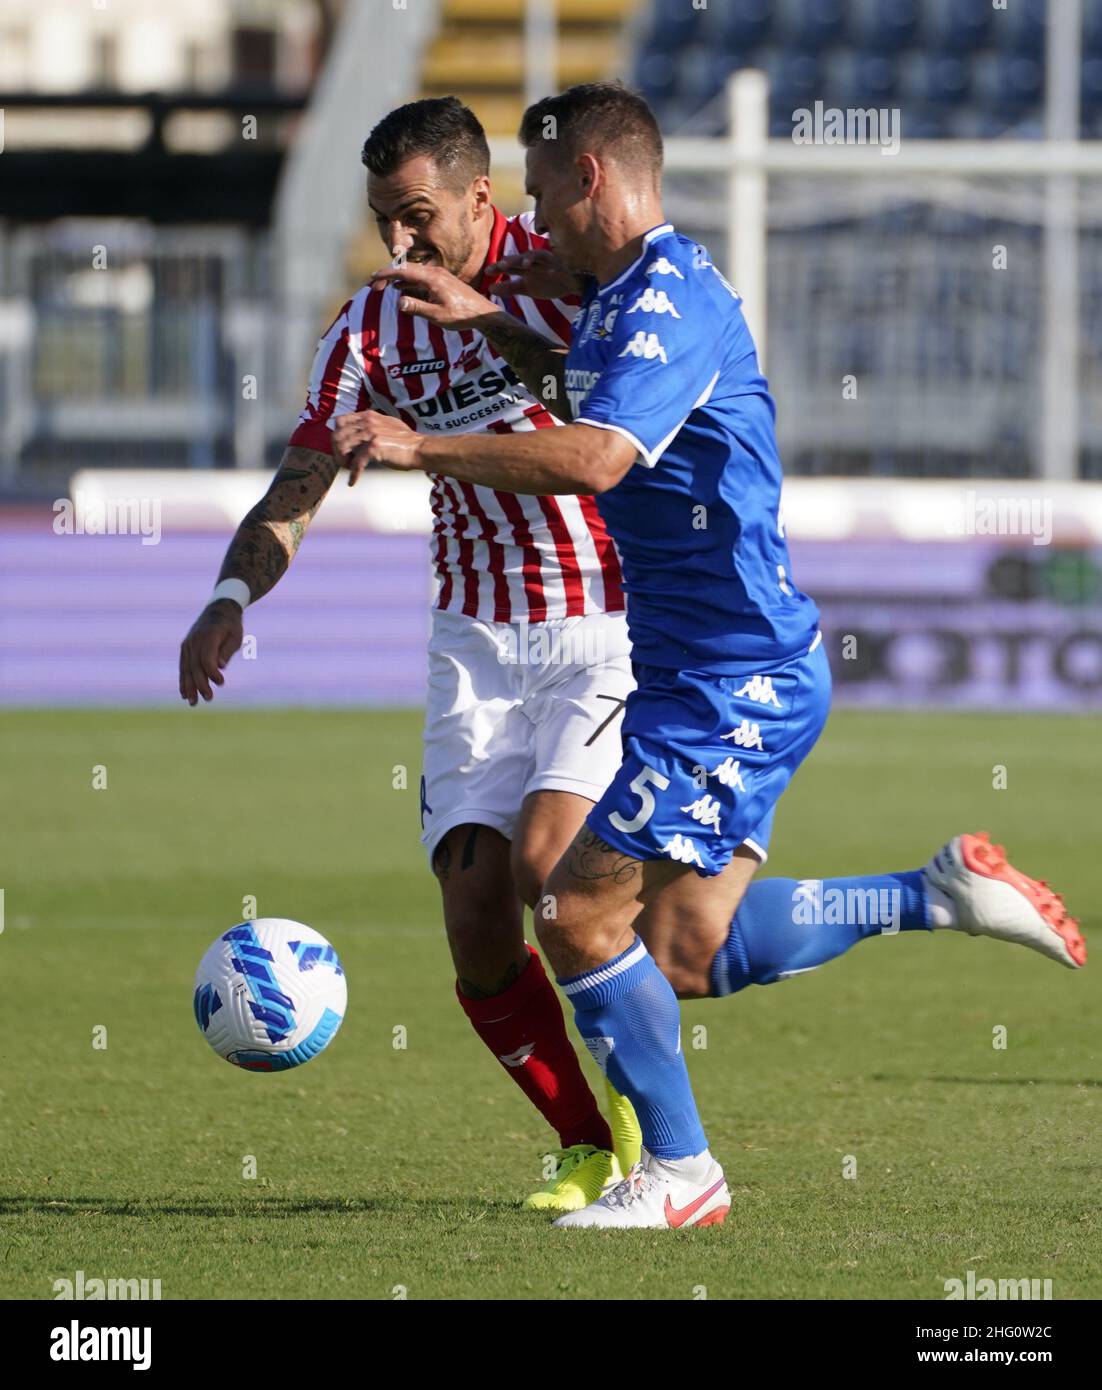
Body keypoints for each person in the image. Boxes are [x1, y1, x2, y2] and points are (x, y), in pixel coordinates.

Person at [333, 81, 1086, 1230]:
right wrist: (488, 319)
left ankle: (681, 1177)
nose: (533, 230)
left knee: (578, 915)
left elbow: (589, 458)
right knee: (683, 948)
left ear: (589, 180)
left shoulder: (667, 300)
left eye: (542, 196)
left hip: (732, 681)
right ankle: (933, 893)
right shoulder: (622, 296)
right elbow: (575, 389)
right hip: (704, 671)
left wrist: (414, 443)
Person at [179, 96, 643, 1213]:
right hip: (473, 640)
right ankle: (585, 1145)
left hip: (603, 622)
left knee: (551, 872)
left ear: (482, 195)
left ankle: (654, 1126)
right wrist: (233, 589)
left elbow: (601, 419)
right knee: (477, 920)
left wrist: (481, 318)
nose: (400, 244)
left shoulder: (568, 274)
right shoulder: (368, 330)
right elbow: (303, 479)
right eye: (386, 221)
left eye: (418, 217)